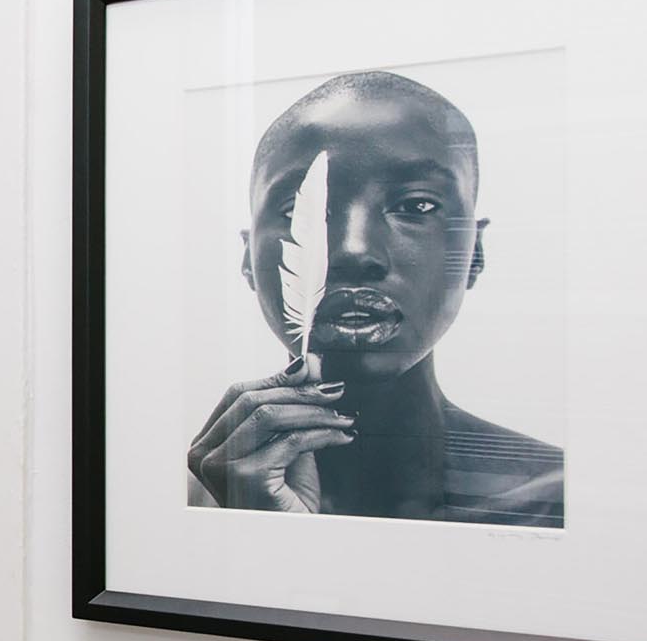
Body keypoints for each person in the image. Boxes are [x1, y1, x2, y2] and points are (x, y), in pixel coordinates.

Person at [186, 70, 563, 527]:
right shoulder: (170, 511)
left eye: (416, 205)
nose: (353, 250)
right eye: (300, 210)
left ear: (474, 253)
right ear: (249, 257)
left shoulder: (559, 504)